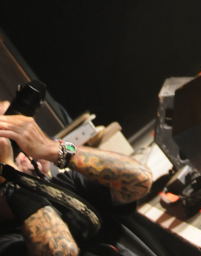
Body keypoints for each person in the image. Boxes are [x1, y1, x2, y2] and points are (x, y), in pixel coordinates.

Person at [0, 101, 153, 256]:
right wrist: (10, 177)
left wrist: (51, 148)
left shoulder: (64, 184)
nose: (23, 150)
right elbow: (61, 252)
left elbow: (140, 179)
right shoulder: (6, 238)